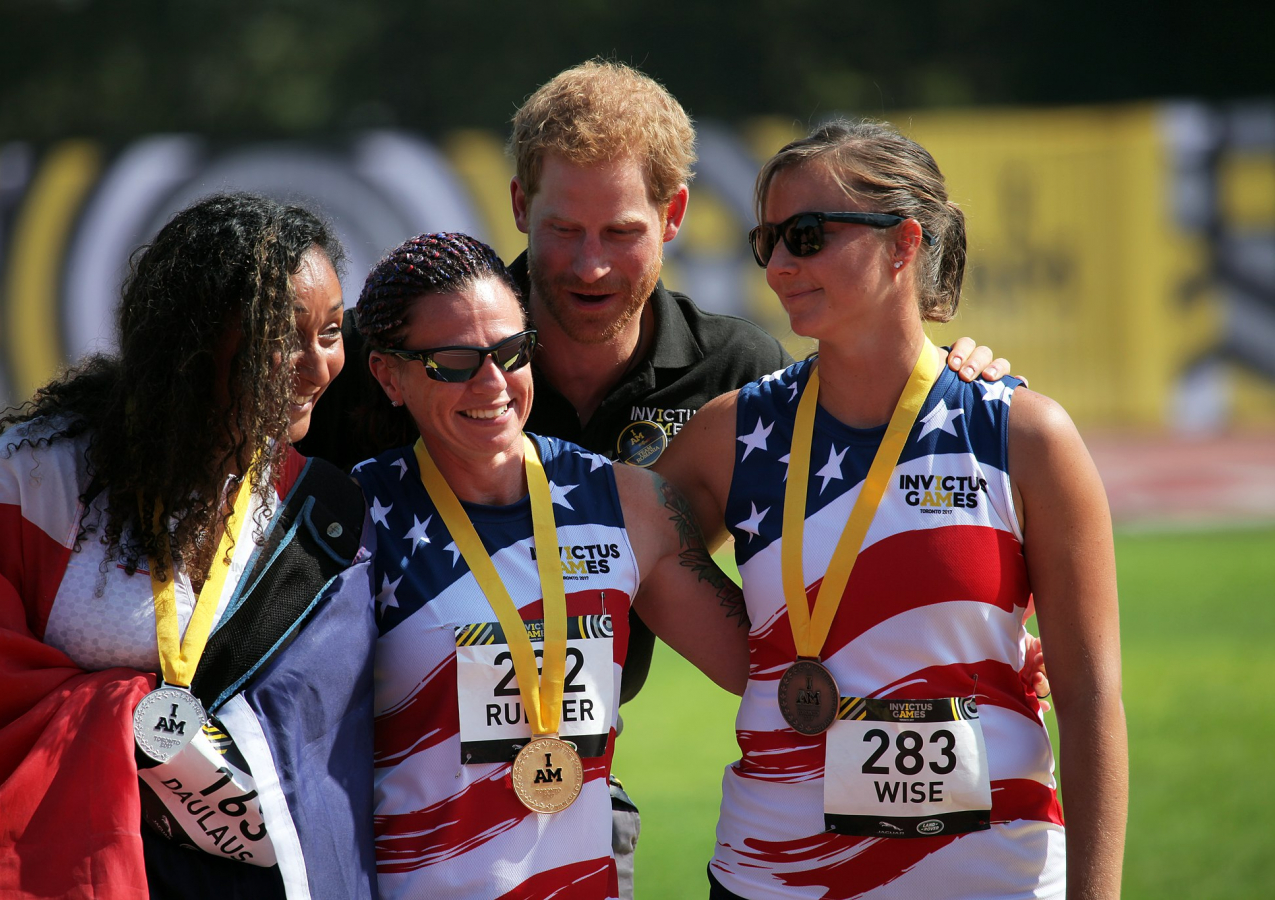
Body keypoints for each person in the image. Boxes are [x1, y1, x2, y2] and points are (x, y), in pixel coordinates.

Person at [296, 60, 1012, 898]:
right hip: (374, 798)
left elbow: (853, 524)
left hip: (576, 788)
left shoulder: (738, 377)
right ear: (521, 207)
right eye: (563, 230)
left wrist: (958, 376)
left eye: (621, 233)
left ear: (674, 217)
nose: (590, 267)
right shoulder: (403, 348)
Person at [655, 120, 1128, 899]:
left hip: (992, 879)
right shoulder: (732, 434)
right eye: (765, 239)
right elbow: (607, 549)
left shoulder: (1025, 435)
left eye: (805, 235)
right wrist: (763, 663)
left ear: (904, 244)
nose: (777, 266)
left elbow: (1090, 697)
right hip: (776, 879)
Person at [0, 193, 370, 899]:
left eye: (332, 332)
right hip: (78, 870)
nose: (316, 367)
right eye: (282, 337)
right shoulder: (43, 477)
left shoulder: (320, 508)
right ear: (196, 341)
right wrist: (118, 714)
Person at [330, 231, 750, 899]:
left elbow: (763, 667)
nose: (492, 383)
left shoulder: (627, 502)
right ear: (389, 375)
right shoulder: (349, 521)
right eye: (454, 362)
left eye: (509, 352)